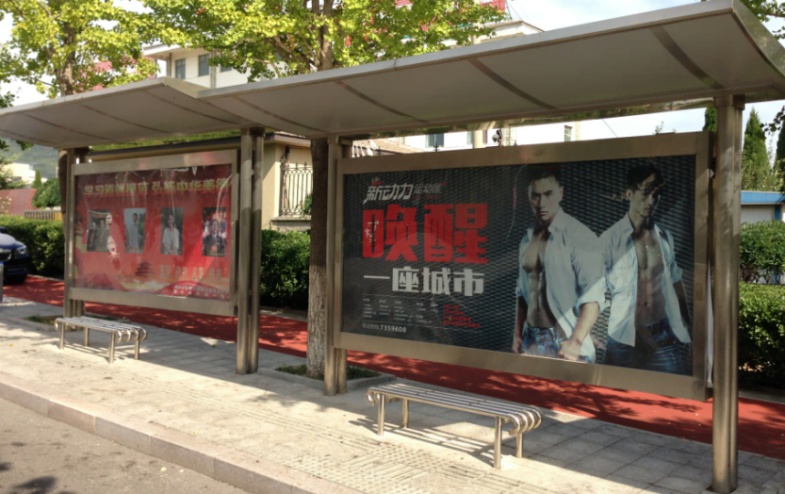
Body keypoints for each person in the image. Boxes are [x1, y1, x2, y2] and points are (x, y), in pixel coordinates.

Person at [600, 164, 692, 374]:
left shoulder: (664, 238)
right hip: (624, 335)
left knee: (672, 389)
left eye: (656, 194)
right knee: (614, 391)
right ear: (629, 194)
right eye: (645, 193)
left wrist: (688, 324)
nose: (651, 201)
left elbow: (675, 281)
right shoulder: (610, 239)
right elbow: (591, 287)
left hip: (662, 333)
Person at [512, 164, 604, 362]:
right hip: (530, 339)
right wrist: (517, 334)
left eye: (548, 194)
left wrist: (575, 342)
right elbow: (522, 292)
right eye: (535, 196)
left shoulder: (579, 235)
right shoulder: (527, 239)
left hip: (565, 341)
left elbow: (594, 295)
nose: (541, 203)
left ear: (561, 193)